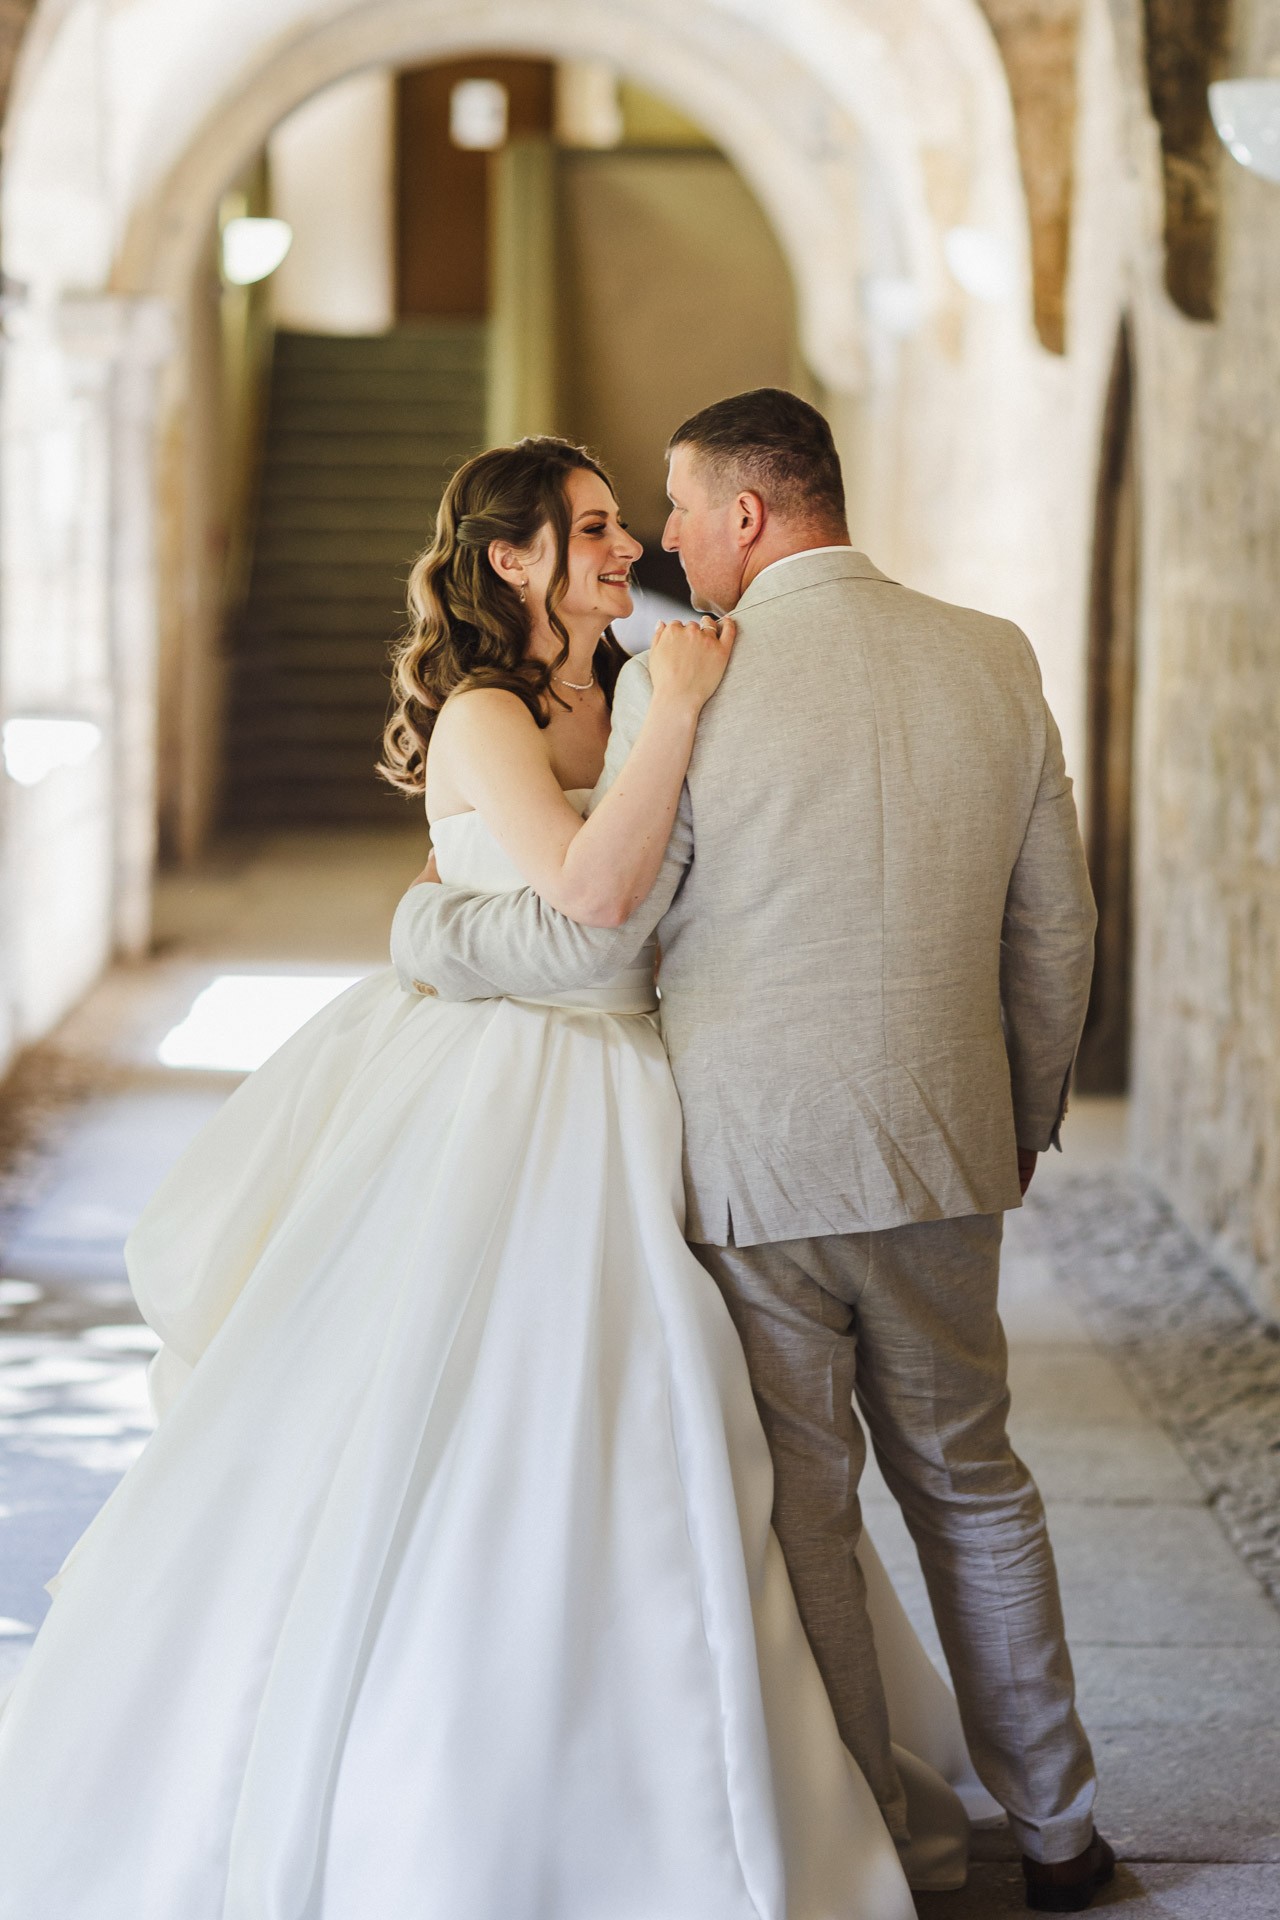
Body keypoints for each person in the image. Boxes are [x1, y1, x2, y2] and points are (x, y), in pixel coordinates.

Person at [0, 437, 976, 1920]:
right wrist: (680, 718)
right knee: (484, 1403)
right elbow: (592, 903)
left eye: (614, 522)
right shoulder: (485, 713)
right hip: (502, 1096)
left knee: (681, 1426)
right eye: (584, 528)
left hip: (649, 1088)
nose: (617, 545)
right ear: (509, 559)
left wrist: (672, 706)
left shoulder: (639, 671)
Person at [390, 393, 1115, 1914]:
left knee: (811, 1513)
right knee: (976, 1485)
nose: (658, 543)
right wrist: (1018, 1116)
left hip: (748, 1163)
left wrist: (434, 925)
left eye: (672, 511)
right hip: (940, 1153)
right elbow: (1056, 923)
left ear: (747, 516)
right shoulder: (996, 655)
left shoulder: (680, 683)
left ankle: (873, 1845)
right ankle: (1060, 1835)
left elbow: (606, 946)